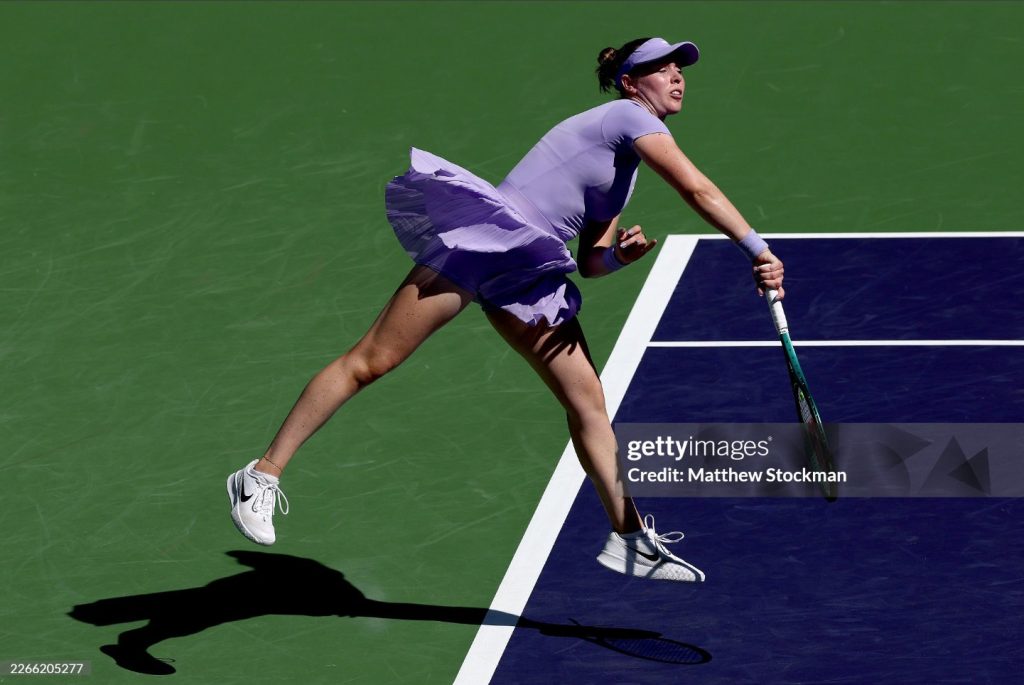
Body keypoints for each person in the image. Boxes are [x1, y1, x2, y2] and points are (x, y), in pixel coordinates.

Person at [226, 37, 785, 583]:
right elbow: (696, 190)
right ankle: (260, 475)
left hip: (529, 272)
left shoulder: (624, 170)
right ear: (630, 82)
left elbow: (590, 262)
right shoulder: (626, 117)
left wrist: (619, 256)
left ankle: (631, 539)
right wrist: (757, 249)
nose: (677, 76)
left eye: (679, 68)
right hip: (490, 239)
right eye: (662, 68)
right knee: (372, 361)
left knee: (588, 402)